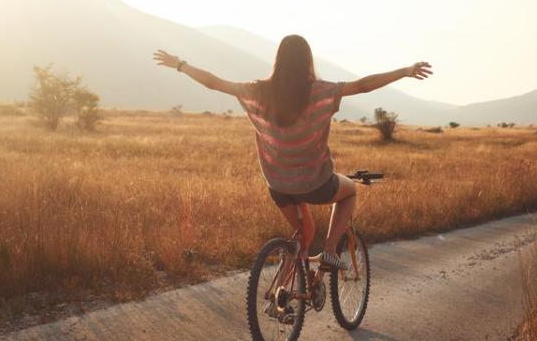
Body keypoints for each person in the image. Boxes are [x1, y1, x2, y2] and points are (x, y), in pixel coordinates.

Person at [152, 34, 431, 270]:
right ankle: (331, 251)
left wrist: (180, 64)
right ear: (307, 61)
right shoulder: (321, 91)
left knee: (303, 234)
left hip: (278, 186)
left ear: (278, 61)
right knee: (350, 192)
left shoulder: (258, 91)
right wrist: (404, 71)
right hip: (316, 184)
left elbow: (214, 82)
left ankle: (287, 288)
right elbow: (362, 86)